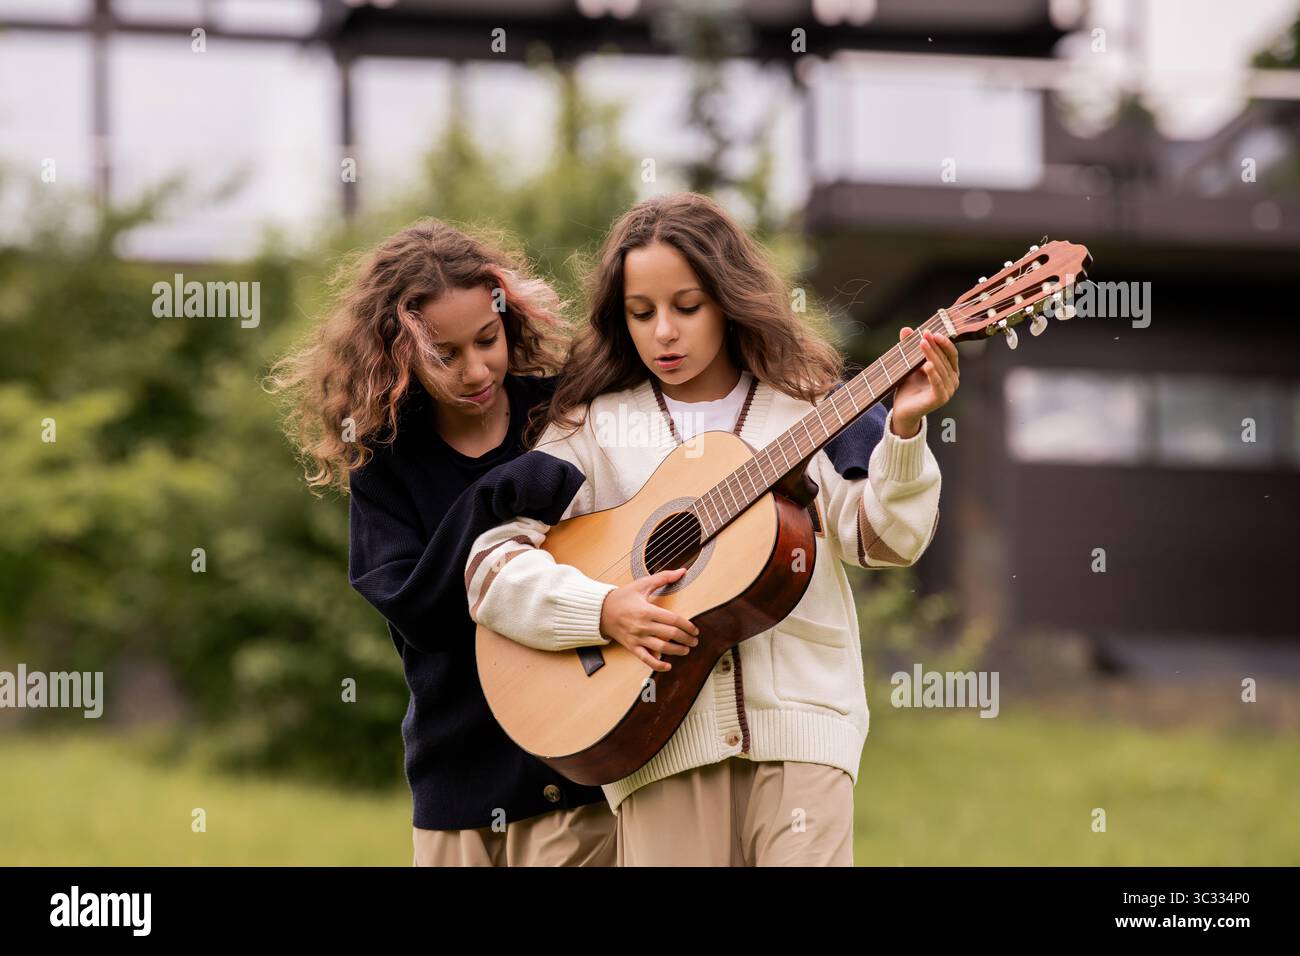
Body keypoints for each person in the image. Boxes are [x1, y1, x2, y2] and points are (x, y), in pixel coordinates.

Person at [463, 193, 959, 866]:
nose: (663, 332)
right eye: (642, 314)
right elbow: (491, 565)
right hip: (656, 750)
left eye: (686, 307)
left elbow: (887, 541)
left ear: (729, 300)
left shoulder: (812, 405)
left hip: (805, 743)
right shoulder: (593, 431)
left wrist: (903, 431)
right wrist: (602, 609)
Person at [271, 220, 616, 866]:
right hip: (456, 793)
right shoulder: (386, 464)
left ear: (506, 319)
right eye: (445, 355)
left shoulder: (562, 414)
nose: (476, 369)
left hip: (575, 778)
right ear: (399, 355)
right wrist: (497, 494)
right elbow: (423, 610)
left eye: (487, 340)